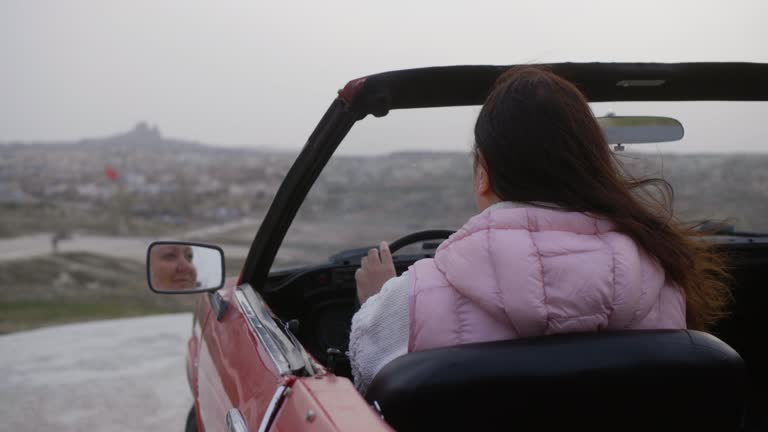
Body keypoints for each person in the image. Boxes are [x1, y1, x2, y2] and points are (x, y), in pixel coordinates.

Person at [348, 66, 730, 394]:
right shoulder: (662, 278)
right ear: (593, 165)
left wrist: (378, 301)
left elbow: (367, 398)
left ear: (484, 173)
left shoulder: (405, 302)